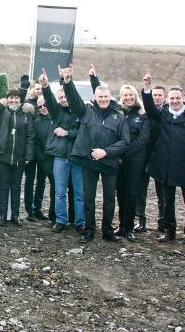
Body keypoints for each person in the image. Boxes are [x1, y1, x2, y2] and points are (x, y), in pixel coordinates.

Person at [62, 64, 130, 244]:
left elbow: (125, 141)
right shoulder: (86, 111)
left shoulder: (119, 116)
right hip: (89, 161)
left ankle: (107, 231)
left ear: (110, 97)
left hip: (109, 162)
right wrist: (67, 82)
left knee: (109, 199)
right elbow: (74, 99)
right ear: (94, 97)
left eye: (106, 96)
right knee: (88, 198)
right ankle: (89, 230)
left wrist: (106, 152)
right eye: (100, 96)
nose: (103, 99)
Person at [89, 67, 150, 242]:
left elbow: (143, 139)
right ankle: (121, 225)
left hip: (134, 160)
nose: (129, 98)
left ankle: (128, 227)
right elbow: (101, 97)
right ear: (121, 98)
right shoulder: (118, 112)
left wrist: (122, 149)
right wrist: (94, 79)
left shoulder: (142, 115)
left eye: (131, 95)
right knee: (119, 192)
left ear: (135, 97)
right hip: (118, 159)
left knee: (131, 193)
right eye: (125, 96)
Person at [142, 74, 185, 246]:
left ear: (183, 99)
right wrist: (147, 89)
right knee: (168, 202)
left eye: (178, 98)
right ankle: (169, 231)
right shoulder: (162, 114)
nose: (175, 101)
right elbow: (149, 107)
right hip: (166, 167)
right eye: (172, 98)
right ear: (167, 99)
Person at [0, 74, 35, 226]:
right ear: (7, 100)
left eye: (16, 98)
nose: (13, 100)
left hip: (19, 157)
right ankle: (3, 216)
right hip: (2, 156)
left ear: (20, 100)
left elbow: (31, 136)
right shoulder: (1, 111)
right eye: (11, 98)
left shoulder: (26, 115)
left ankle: (16, 216)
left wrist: (28, 156)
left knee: (16, 187)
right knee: (4, 186)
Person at [39, 70, 84, 234]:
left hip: (77, 157)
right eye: (61, 98)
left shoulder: (81, 111)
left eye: (65, 96)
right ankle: (60, 220)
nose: (63, 99)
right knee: (59, 192)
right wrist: (45, 86)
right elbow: (49, 100)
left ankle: (80, 222)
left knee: (79, 192)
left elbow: (85, 133)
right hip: (60, 157)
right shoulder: (57, 111)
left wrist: (67, 133)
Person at [134, 82, 167, 233]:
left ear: (165, 97)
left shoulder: (167, 113)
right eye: (154, 95)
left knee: (162, 192)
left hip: (161, 157)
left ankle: (163, 221)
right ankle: (140, 220)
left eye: (160, 95)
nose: (157, 98)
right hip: (144, 156)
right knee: (140, 190)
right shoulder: (143, 114)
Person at [24, 79, 55, 222]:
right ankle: (29, 210)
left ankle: (37, 208)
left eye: (45, 105)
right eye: (40, 106)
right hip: (33, 155)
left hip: (45, 156)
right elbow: (32, 137)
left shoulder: (54, 117)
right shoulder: (33, 115)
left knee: (41, 182)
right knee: (29, 181)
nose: (42, 107)